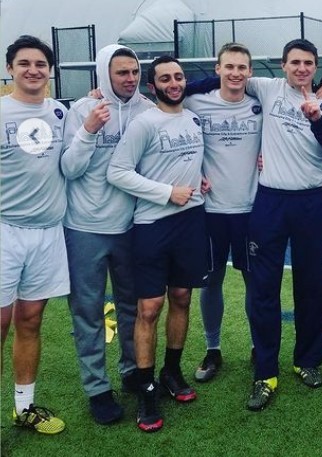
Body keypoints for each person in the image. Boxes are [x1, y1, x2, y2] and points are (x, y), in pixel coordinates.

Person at [212, 39, 322, 410]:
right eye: (295, 62)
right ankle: (265, 372)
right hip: (269, 202)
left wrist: (316, 119)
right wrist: (164, 90)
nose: (301, 68)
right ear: (283, 65)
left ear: (316, 66)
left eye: (308, 62)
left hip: (310, 203)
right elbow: (226, 78)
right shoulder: (267, 88)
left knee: (312, 286)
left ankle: (307, 360)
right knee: (263, 289)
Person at [107, 55, 207, 432]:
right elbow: (117, 172)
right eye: (165, 78)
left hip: (191, 221)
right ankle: (146, 388)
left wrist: (203, 178)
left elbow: (190, 161)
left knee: (182, 297)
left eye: (178, 77)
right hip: (152, 225)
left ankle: (171, 372)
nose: (174, 83)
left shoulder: (193, 119)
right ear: (153, 86)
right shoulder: (144, 123)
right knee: (149, 308)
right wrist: (166, 192)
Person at [61, 44, 154, 425]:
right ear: (104, 74)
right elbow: (69, 168)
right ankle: (97, 388)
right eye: (121, 73)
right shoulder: (82, 110)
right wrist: (88, 131)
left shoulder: (147, 110)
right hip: (85, 227)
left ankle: (132, 370)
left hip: (132, 227)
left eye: (134, 72)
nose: (130, 79)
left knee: (133, 307)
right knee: (88, 311)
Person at [0, 34, 69, 435]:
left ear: (50, 71)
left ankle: (24, 408)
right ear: (10, 68)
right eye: (24, 63)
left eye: (41, 64)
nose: (33, 70)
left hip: (47, 233)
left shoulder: (60, 112)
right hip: (5, 232)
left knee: (30, 320)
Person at [183, 42, 262, 383]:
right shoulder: (195, 102)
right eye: (229, 66)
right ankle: (213, 349)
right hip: (210, 210)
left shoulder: (260, 104)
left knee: (253, 281)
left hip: (251, 209)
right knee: (211, 280)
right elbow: (162, 102)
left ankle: (259, 347)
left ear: (250, 72)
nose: (235, 73)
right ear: (217, 70)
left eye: (241, 67)